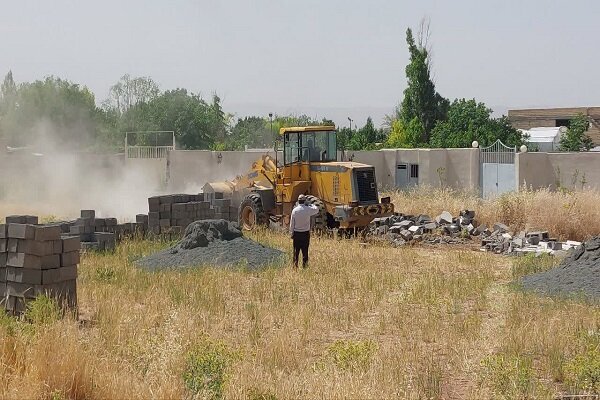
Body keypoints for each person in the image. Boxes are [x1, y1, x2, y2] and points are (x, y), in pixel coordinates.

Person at [289, 194, 319, 268]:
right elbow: (317, 209)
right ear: (304, 201)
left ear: (298, 201)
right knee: (305, 251)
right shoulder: (308, 209)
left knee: (296, 252)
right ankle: (305, 266)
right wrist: (310, 204)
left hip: (296, 234)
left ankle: (295, 266)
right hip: (305, 234)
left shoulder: (295, 210)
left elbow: (292, 224)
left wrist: (291, 233)